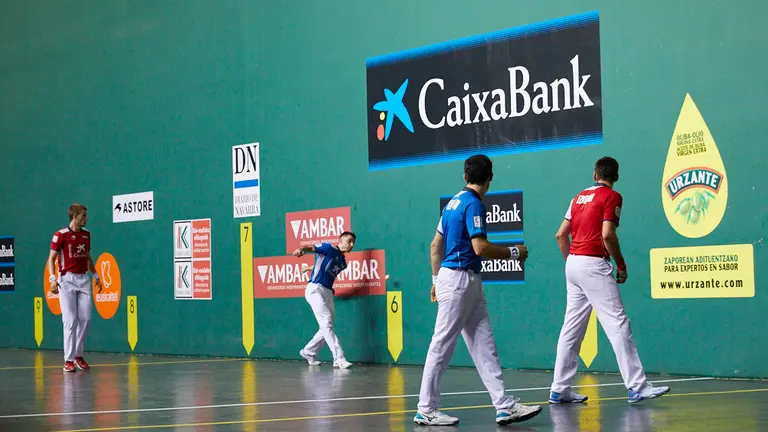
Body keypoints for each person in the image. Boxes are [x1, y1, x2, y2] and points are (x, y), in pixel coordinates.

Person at [414, 154, 542, 426]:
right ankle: (426, 408)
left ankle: (504, 405)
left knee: (484, 345)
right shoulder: (473, 204)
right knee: (441, 345)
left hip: (464, 281)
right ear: (490, 178)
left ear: (465, 176)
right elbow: (480, 247)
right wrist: (514, 252)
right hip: (460, 281)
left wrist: (436, 282)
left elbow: (434, 246)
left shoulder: (452, 204)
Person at [549, 156, 670, 404]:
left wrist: (573, 263)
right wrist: (621, 265)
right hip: (593, 263)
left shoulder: (577, 198)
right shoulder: (612, 197)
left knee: (571, 329)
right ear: (615, 177)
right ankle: (637, 386)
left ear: (595, 175)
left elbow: (561, 235)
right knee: (618, 324)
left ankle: (559, 389)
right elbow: (608, 235)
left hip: (573, 263)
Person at [48, 204, 101, 372]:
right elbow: (51, 259)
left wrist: (96, 276)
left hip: (83, 279)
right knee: (70, 321)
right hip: (66, 280)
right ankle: (68, 360)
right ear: (75, 216)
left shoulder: (87, 235)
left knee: (85, 320)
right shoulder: (60, 235)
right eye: (84, 215)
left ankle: (78, 355)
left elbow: (87, 256)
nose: (86, 218)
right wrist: (52, 279)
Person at [293, 232, 356, 369]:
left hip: (328, 292)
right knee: (326, 323)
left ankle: (308, 352)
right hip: (315, 289)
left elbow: (322, 266)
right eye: (349, 241)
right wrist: (301, 250)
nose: (351, 245)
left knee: (326, 327)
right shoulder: (328, 248)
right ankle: (339, 358)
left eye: (353, 243)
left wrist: (307, 268)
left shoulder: (343, 263)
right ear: (340, 240)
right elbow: (310, 248)